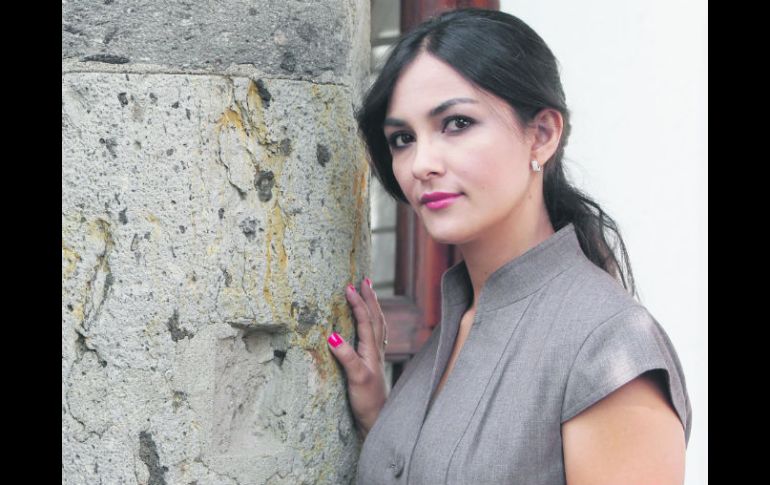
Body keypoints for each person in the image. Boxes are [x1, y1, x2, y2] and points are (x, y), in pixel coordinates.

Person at [326, 8, 691, 484]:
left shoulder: (608, 347)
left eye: (456, 123)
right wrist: (386, 423)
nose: (421, 163)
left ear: (542, 135)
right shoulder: (456, 325)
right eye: (402, 139)